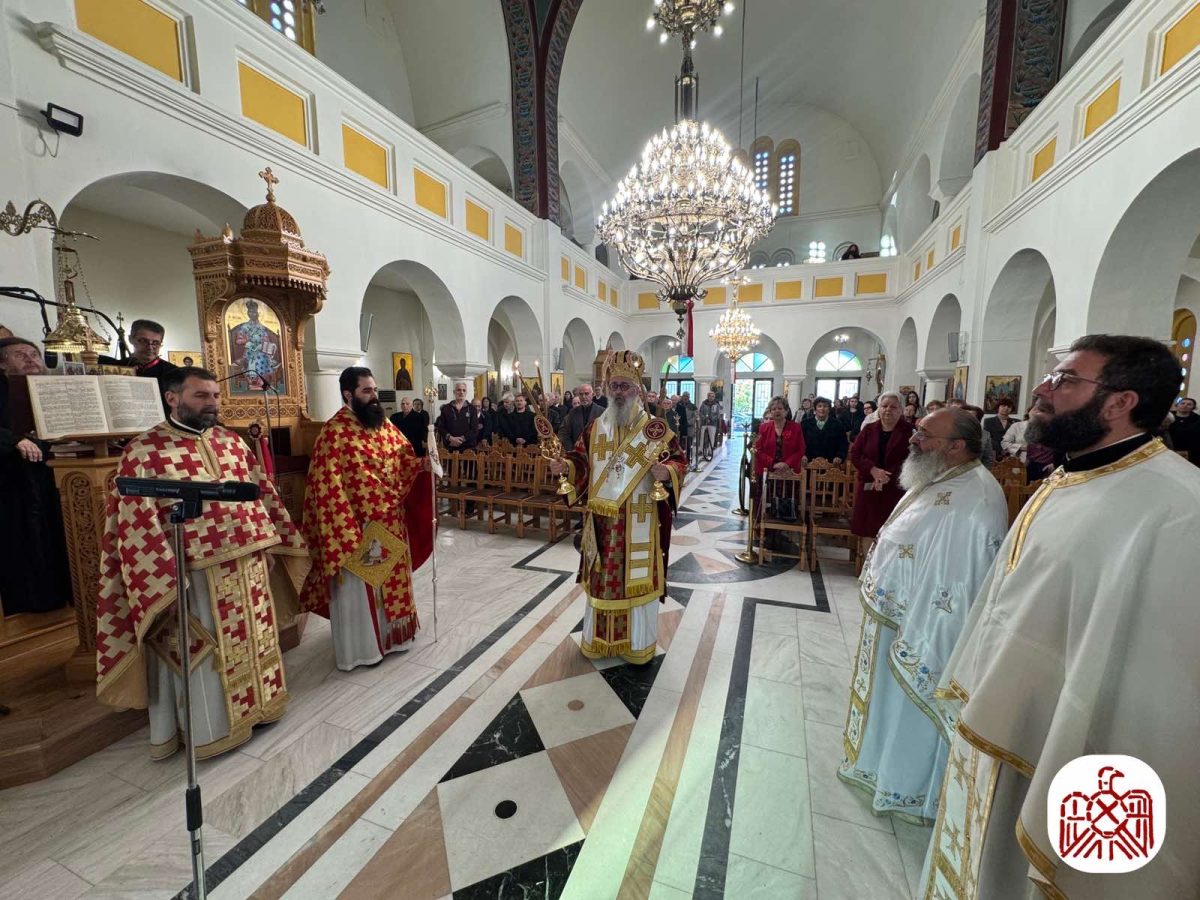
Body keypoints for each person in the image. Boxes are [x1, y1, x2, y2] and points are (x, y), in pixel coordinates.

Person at [921, 335, 1200, 900]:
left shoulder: (1178, 508)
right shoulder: (1075, 475)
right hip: (1013, 715)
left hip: (1087, 738)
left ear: (1120, 402)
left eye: (1066, 378)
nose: (1044, 388)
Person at [95, 367, 307, 759]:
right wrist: (165, 580)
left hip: (249, 565)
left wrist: (267, 545)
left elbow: (259, 495)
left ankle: (261, 709)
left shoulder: (231, 441)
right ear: (172, 398)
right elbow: (136, 527)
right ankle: (214, 730)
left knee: (256, 640)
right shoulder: (144, 451)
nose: (211, 403)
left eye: (215, 396)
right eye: (201, 396)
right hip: (193, 575)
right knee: (205, 652)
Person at [839, 408, 1008, 824]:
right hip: (898, 615)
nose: (914, 439)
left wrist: (920, 623)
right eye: (917, 430)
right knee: (886, 702)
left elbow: (960, 584)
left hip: (923, 630)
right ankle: (878, 768)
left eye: (924, 434)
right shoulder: (942, 478)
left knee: (910, 710)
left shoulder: (976, 501)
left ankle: (907, 789)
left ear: (956, 446)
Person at [548, 352, 688, 663]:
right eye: (614, 386)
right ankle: (599, 642)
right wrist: (565, 467)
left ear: (637, 389)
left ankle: (638, 646)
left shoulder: (654, 430)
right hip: (603, 522)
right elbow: (580, 460)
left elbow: (680, 460)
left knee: (635, 582)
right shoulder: (596, 427)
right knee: (604, 580)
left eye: (625, 386)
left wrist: (668, 472)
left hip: (640, 519)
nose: (619, 392)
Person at [300, 367, 434, 671]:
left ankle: (395, 639)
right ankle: (364, 649)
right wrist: (345, 529)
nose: (374, 396)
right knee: (362, 592)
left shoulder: (383, 424)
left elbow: (402, 458)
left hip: (391, 522)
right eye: (367, 391)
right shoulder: (334, 433)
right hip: (356, 528)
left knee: (391, 584)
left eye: (374, 389)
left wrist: (422, 464)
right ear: (348, 394)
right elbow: (326, 487)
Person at [0, 337, 72, 614]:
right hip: (15, 479)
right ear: (2, 363)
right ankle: (35, 603)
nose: (31, 360)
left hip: (53, 472)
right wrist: (14, 440)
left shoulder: (52, 386)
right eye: (21, 355)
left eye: (34, 354)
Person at [849, 392, 914, 549]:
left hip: (895, 488)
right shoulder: (869, 429)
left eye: (893, 407)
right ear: (879, 408)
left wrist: (886, 475)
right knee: (868, 530)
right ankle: (868, 564)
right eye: (884, 406)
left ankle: (886, 563)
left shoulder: (909, 431)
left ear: (901, 409)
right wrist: (872, 470)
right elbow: (855, 454)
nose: (888, 410)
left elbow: (913, 458)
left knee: (893, 531)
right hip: (869, 486)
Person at [801, 396, 848, 463]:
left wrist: (839, 456)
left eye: (825, 406)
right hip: (809, 462)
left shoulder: (838, 424)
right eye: (819, 406)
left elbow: (843, 443)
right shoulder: (805, 424)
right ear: (815, 409)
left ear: (829, 409)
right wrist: (803, 455)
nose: (822, 408)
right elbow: (800, 443)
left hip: (831, 462)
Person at [435, 382, 478, 451]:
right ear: (454, 392)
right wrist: (451, 438)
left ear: (466, 393)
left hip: (468, 448)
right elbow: (441, 427)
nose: (461, 392)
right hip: (450, 446)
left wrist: (460, 440)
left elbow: (474, 429)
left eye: (464, 390)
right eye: (459, 390)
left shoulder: (472, 409)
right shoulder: (446, 408)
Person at [558, 382, 603, 448]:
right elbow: (564, 432)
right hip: (576, 451)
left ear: (593, 395)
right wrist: (571, 449)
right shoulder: (573, 412)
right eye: (581, 394)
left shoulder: (601, 412)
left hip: (595, 450)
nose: (583, 397)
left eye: (586, 394)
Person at [1169, 396, 1199, 464]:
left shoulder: (1197, 420)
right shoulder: (1167, 417)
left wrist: (1189, 452)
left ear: (1193, 408)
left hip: (1189, 454)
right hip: (1168, 451)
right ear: (1177, 405)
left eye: (1189, 404)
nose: (1185, 405)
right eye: (1182, 403)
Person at [697, 390, 722, 460]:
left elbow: (717, 414)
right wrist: (705, 418)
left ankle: (710, 450)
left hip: (712, 423)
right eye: (709, 396)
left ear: (714, 397)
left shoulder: (716, 405)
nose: (711, 397)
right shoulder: (703, 404)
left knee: (711, 437)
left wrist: (711, 419)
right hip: (704, 423)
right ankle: (701, 450)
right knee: (702, 437)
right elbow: (700, 412)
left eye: (712, 396)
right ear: (707, 397)